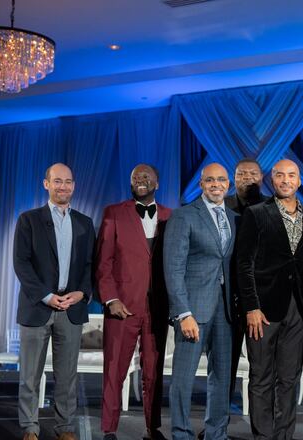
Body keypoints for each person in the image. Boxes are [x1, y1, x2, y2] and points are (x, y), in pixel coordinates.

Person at [236, 159, 303, 440]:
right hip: (263, 309)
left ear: (299, 181)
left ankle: (283, 435)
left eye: (291, 175)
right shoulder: (256, 213)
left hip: (298, 309)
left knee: (289, 378)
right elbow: (243, 264)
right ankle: (263, 436)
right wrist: (251, 307)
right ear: (272, 180)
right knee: (260, 377)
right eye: (280, 175)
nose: (285, 180)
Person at [13, 163, 95, 440]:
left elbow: (89, 265)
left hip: (71, 309)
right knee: (30, 375)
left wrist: (82, 293)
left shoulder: (85, 222)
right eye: (57, 181)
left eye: (68, 181)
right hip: (37, 307)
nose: (63, 186)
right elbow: (21, 264)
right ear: (45, 184)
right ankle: (30, 428)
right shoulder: (28, 220)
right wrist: (47, 296)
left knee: (67, 377)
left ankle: (65, 428)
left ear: (74, 185)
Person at [96, 164, 171, 440]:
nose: (141, 180)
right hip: (122, 308)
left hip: (157, 310)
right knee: (114, 370)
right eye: (135, 177)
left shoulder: (170, 216)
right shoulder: (113, 213)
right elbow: (103, 263)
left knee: (153, 372)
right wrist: (111, 299)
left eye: (146, 176)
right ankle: (109, 429)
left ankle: (153, 429)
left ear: (157, 183)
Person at [164, 163, 237, 440]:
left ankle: (216, 433)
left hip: (226, 310)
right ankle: (181, 433)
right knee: (183, 377)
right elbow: (173, 268)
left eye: (220, 180)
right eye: (210, 180)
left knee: (221, 376)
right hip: (193, 309)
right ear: (202, 184)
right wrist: (183, 312)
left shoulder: (233, 217)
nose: (216, 184)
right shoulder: (184, 216)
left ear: (227, 184)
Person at [224, 157, 268, 409]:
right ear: (234, 178)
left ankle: (262, 430)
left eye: (253, 173)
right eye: (242, 174)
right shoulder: (222, 205)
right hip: (227, 298)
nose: (248, 178)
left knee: (261, 369)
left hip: (259, 302)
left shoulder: (270, 207)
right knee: (223, 368)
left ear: (261, 178)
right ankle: (216, 428)